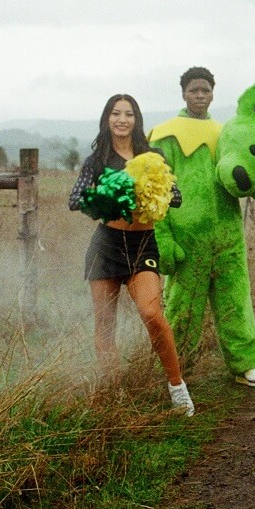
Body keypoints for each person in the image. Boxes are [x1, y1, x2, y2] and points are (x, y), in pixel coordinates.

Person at [69, 94, 194, 416]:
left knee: (152, 314)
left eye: (128, 114)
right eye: (115, 113)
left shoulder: (152, 156)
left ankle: (177, 388)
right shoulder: (97, 160)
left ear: (136, 120)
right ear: (107, 119)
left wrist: (148, 193)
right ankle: (114, 394)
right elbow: (76, 198)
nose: (122, 119)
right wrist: (105, 197)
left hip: (143, 245)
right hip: (106, 246)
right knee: (105, 325)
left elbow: (175, 197)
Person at [148, 68, 255, 388]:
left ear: (213, 93)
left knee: (236, 301)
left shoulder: (226, 132)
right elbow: (155, 187)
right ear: (184, 93)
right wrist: (162, 237)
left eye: (205, 90)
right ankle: (174, 371)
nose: (199, 95)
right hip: (188, 236)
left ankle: (246, 364)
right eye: (193, 90)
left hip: (228, 232)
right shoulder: (164, 134)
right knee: (182, 308)